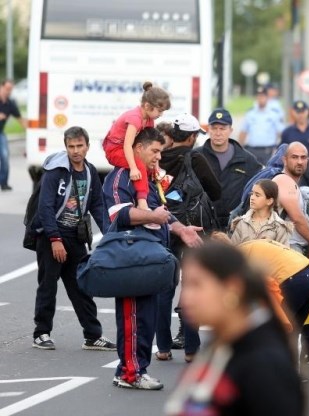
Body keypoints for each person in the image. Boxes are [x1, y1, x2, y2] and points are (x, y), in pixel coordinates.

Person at [103, 127, 203, 390]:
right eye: (155, 151)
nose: (159, 156)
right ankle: (128, 373)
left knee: (145, 318)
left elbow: (163, 213)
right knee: (132, 318)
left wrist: (181, 228)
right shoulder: (120, 177)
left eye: (161, 151)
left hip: (150, 260)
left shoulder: (146, 179)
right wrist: (153, 217)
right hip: (130, 259)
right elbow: (120, 215)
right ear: (138, 149)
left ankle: (137, 369)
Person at [165, 242, 305, 416]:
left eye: (196, 285)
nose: (185, 299)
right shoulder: (224, 344)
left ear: (233, 288)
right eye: (185, 285)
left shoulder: (265, 364)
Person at [31, 126, 115, 351]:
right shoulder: (55, 171)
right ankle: (41, 333)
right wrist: (55, 239)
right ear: (66, 147)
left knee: (81, 286)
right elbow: (45, 207)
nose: (76, 151)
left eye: (80, 146)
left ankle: (93, 335)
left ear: (87, 146)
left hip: (75, 238)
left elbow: (97, 205)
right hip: (52, 237)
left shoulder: (89, 171)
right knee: (48, 286)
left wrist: (111, 233)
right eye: (71, 146)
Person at [156, 113, 222, 363]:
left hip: (164, 225)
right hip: (193, 229)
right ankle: (192, 349)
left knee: (164, 286)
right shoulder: (195, 157)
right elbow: (216, 191)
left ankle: (162, 347)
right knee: (192, 285)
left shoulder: (158, 157)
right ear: (192, 136)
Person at [102, 81, 171, 219]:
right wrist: (133, 168)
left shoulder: (149, 120)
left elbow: (149, 142)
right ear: (147, 106)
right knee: (139, 164)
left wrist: (156, 169)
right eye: (159, 110)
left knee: (150, 170)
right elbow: (127, 145)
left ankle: (153, 197)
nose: (161, 114)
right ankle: (142, 202)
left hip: (125, 148)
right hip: (114, 149)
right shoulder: (135, 118)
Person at [196, 108, 262, 231]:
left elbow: (260, 188)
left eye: (222, 128)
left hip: (236, 225)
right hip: (203, 224)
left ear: (230, 130)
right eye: (214, 128)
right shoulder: (196, 157)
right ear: (208, 129)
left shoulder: (247, 159)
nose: (218, 133)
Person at [237, 239, 309, 331]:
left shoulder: (236, 255)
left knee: (279, 329)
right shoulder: (252, 245)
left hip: (294, 277)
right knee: (293, 331)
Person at [273, 142, 309, 256]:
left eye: (303, 157)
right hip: (286, 247)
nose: (300, 162)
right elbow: (298, 219)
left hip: (295, 246)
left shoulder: (293, 184)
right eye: (294, 157)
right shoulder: (283, 180)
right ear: (284, 160)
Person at [230, 179, 292, 245]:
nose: (252, 198)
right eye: (252, 194)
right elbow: (233, 250)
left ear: (269, 201)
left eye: (257, 195)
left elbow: (283, 252)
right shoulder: (242, 223)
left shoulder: (279, 227)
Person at [238, 86, 284, 166]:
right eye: (259, 96)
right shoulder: (250, 113)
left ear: (267, 98)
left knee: (267, 176)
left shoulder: (273, 114)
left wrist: (279, 150)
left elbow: (280, 133)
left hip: (268, 151)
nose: (261, 98)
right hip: (252, 151)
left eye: (263, 96)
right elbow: (243, 132)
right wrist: (239, 150)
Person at [0, 79, 27, 191]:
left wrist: (31, 130)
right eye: (7, 89)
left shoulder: (10, 104)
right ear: (1, 87)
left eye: (10, 90)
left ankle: (4, 183)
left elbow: (20, 120)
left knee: (5, 156)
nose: (8, 92)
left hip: (0, 133)